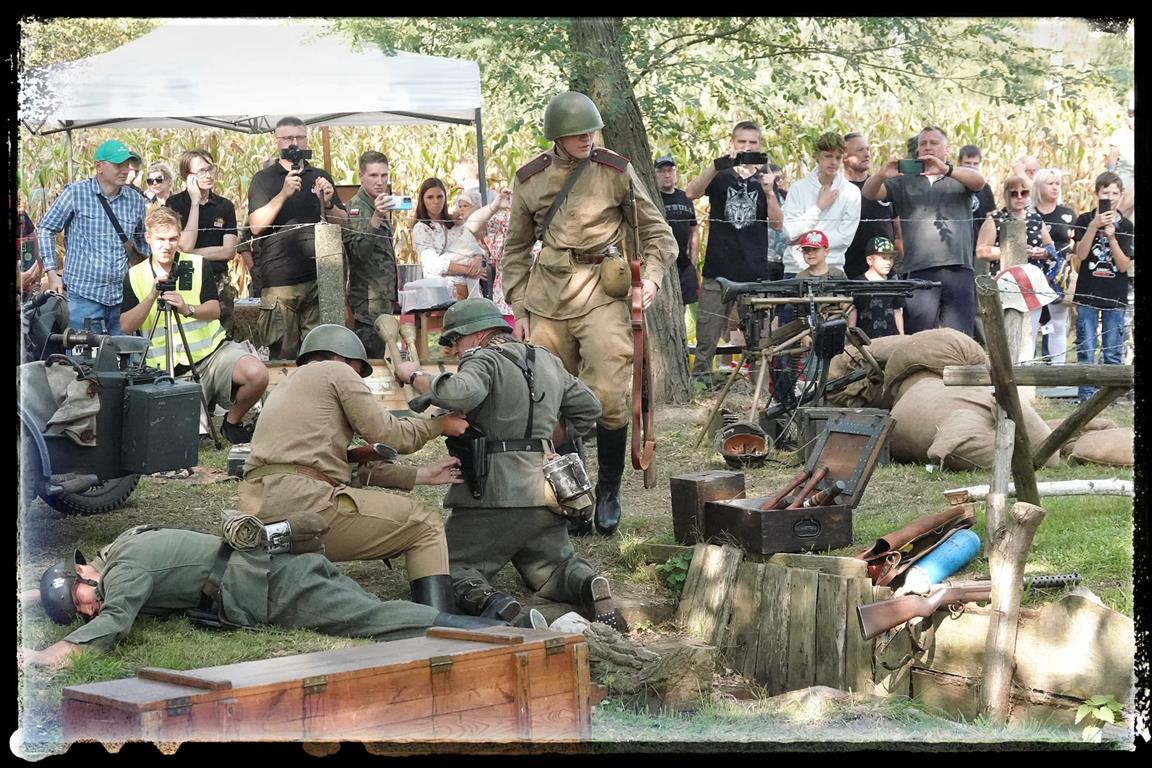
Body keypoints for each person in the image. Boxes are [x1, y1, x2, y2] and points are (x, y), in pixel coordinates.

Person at [501, 90, 677, 537]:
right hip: (546, 298)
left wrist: (651, 278)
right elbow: (516, 250)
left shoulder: (614, 170)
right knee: (549, 401)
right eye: (576, 134)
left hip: (602, 290)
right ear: (556, 137)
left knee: (610, 396)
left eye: (591, 131)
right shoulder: (530, 179)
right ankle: (572, 494)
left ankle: (609, 490)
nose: (586, 139)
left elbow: (658, 234)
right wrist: (519, 306)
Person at [395, 298, 624, 629]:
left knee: (444, 567)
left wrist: (413, 375)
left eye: (456, 340)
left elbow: (461, 394)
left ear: (477, 334)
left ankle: (499, 606)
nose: (455, 350)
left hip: (493, 495)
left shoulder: (483, 359)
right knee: (552, 568)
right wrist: (544, 441)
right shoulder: (547, 360)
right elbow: (590, 408)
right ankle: (587, 584)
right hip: (545, 492)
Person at [19, 527, 535, 668]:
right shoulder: (122, 548)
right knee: (370, 613)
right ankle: (494, 625)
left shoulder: (125, 571)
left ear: (86, 569)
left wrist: (52, 654)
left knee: (371, 621)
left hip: (270, 585)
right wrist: (34, 596)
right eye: (78, 613)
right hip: (269, 569)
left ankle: (500, 634)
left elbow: (113, 624)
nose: (88, 608)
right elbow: (86, 591)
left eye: (81, 598)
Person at [238, 323, 469, 612]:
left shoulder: (288, 387)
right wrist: (437, 425)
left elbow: (336, 465)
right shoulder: (337, 372)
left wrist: (419, 475)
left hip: (257, 510)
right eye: (358, 372)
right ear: (342, 359)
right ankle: (439, 621)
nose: (358, 379)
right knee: (425, 524)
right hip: (305, 503)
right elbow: (389, 435)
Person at [120, 207, 268, 444]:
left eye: (172, 239)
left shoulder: (197, 265)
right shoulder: (135, 275)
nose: (167, 246)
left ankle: (231, 423)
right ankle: (200, 410)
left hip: (211, 356)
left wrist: (187, 308)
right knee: (186, 438)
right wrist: (150, 297)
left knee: (257, 373)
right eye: (160, 239)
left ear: (180, 237)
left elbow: (214, 310)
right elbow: (126, 326)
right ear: (148, 238)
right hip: (165, 370)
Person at [683, 120, 783, 384]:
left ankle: (756, 394)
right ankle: (700, 388)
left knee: (758, 344)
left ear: (760, 146)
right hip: (718, 272)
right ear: (732, 143)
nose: (747, 147)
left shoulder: (766, 179)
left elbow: (777, 224)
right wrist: (716, 165)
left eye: (752, 143)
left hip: (754, 275)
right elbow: (690, 192)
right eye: (742, 142)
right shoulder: (720, 175)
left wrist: (770, 192)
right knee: (706, 339)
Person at [861, 126, 985, 336]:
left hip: (959, 269)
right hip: (919, 271)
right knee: (918, 337)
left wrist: (947, 170)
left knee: (960, 338)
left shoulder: (958, 177)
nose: (928, 147)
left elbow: (979, 182)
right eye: (923, 143)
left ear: (946, 149)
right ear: (917, 150)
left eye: (934, 143)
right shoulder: (903, 181)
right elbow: (869, 192)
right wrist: (882, 175)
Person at [247, 117, 349, 360]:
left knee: (320, 354)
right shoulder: (264, 179)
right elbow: (255, 226)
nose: (294, 143)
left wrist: (328, 203)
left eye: (299, 137)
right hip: (281, 282)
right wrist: (283, 194)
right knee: (282, 355)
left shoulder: (320, 175)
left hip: (320, 280)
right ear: (277, 142)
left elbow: (345, 225)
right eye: (288, 138)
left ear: (306, 139)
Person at [36, 139, 150, 335]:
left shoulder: (136, 201)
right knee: (83, 361)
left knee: (123, 359)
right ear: (99, 166)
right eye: (118, 165)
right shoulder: (75, 193)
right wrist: (52, 273)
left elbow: (142, 242)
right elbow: (46, 228)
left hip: (122, 297)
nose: (125, 170)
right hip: (83, 297)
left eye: (126, 165)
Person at [975, 174, 1056, 362]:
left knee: (1029, 334)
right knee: (1005, 334)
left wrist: (1040, 253)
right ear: (1005, 195)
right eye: (1014, 193)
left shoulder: (1036, 219)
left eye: (1024, 192)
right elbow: (982, 251)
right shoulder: (994, 219)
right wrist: (1013, 250)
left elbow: (1050, 249)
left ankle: (1025, 377)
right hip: (1005, 284)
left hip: (1032, 285)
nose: (1019, 197)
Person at [1070, 172, 1134, 403]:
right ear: (1096, 194)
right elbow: (1081, 254)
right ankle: (1086, 396)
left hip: (1114, 296)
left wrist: (1113, 238)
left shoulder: (1126, 225)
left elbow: (1123, 264)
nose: (1110, 197)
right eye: (1105, 193)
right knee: (1086, 347)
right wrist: (1093, 226)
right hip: (1088, 292)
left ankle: (1108, 397)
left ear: (1121, 195)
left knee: (1112, 349)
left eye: (1115, 193)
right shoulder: (1084, 219)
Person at [167, 149, 239, 335]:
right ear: (187, 176)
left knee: (224, 332)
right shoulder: (174, 203)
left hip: (218, 279)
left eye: (210, 169)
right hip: (187, 279)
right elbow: (185, 245)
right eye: (201, 171)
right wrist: (194, 203)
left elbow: (229, 251)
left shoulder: (225, 206)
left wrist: (189, 254)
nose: (208, 175)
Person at [342, 150, 401, 358]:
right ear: (361, 177)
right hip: (367, 300)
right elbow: (358, 253)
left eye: (384, 175)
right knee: (370, 359)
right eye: (374, 176)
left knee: (381, 354)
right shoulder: (357, 208)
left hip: (382, 297)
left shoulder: (378, 203)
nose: (380, 181)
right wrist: (376, 217)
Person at [780, 131, 861, 275]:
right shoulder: (798, 188)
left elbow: (845, 238)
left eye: (838, 157)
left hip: (832, 268)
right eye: (828, 156)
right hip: (796, 268)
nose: (834, 162)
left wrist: (803, 240)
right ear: (816, 156)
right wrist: (819, 207)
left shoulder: (851, 192)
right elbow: (789, 232)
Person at [412, 178, 486, 300]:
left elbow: (473, 247)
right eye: (430, 197)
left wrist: (477, 261)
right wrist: (467, 270)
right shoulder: (422, 228)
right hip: (442, 293)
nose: (436, 201)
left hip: (471, 289)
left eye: (439, 197)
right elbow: (432, 264)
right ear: (422, 200)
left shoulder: (455, 224)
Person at [1031, 168, 1075, 364]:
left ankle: (1057, 370)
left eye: (1058, 183)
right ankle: (1027, 370)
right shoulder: (1029, 213)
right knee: (1031, 324)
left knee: (1057, 323)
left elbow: (1075, 244)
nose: (1055, 187)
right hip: (1032, 273)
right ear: (1039, 187)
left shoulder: (1067, 214)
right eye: (1050, 183)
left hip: (1057, 277)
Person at [654, 155, 700, 343]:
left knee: (686, 306)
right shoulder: (654, 197)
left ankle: (684, 342)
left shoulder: (685, 197)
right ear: (656, 174)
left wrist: (693, 262)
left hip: (684, 262)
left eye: (670, 171)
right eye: (662, 171)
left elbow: (694, 230)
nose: (667, 175)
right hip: (662, 262)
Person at [843, 133, 900, 279]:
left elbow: (898, 227)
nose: (866, 154)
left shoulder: (882, 188)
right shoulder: (837, 190)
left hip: (884, 272)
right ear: (844, 156)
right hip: (848, 271)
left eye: (867, 149)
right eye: (860, 150)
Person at [847, 236, 905, 339]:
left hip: (891, 340)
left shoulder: (894, 283)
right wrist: (851, 337)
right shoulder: (857, 284)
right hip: (865, 341)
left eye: (891, 258)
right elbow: (852, 310)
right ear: (870, 260)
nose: (888, 262)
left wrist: (901, 336)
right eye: (884, 258)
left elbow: (897, 310)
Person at [956, 145, 998, 277]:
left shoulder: (985, 189)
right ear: (959, 163)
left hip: (978, 247)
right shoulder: (951, 186)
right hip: (957, 249)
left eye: (975, 164)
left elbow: (990, 217)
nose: (971, 167)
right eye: (967, 163)